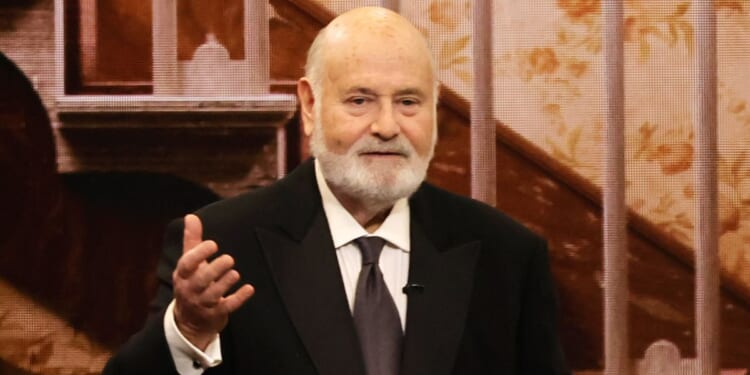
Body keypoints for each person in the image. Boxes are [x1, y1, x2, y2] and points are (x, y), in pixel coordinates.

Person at [104, 6, 569, 375]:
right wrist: (188, 331)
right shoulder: (221, 245)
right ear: (310, 105)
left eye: (408, 102)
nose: (387, 127)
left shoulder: (507, 256)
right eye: (360, 100)